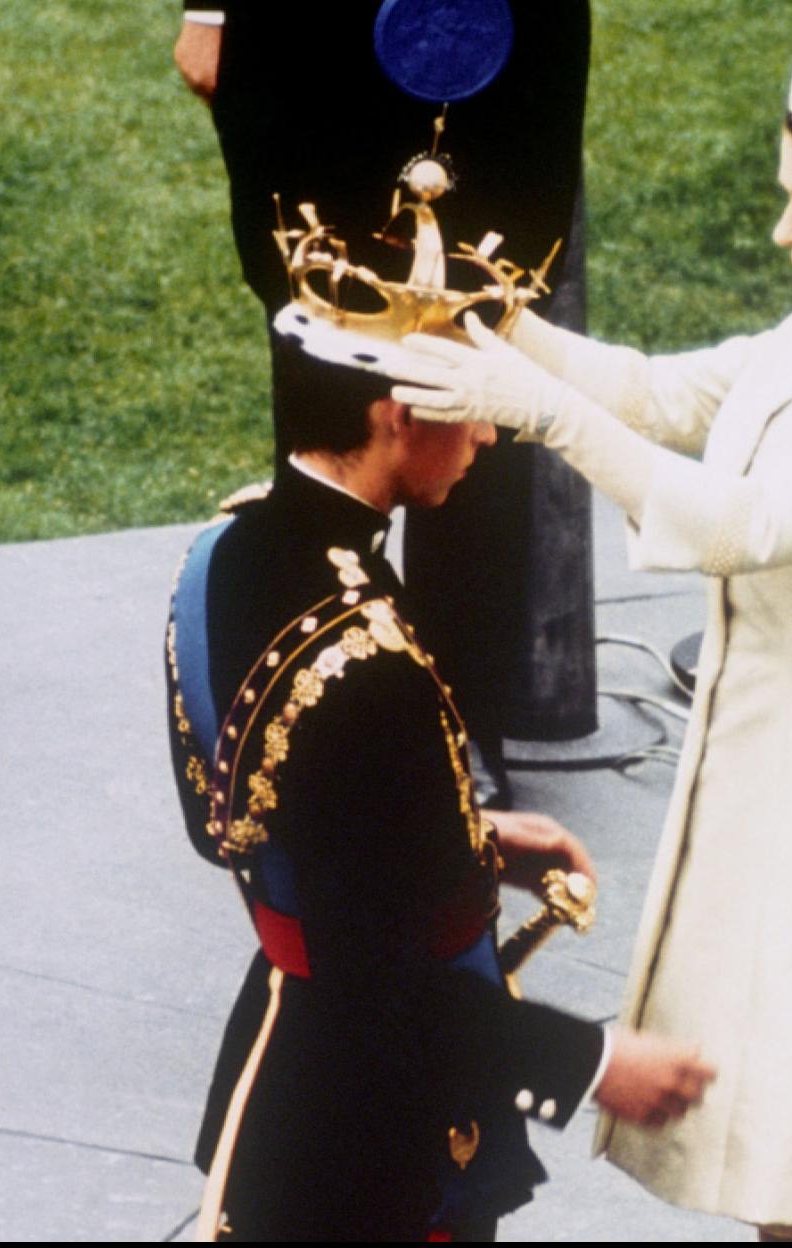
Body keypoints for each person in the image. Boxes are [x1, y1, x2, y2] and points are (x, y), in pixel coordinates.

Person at [385, 21, 792, 1242]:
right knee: (777, 1163)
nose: (784, 232)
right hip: (767, 785)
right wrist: (495, 317)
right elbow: (660, 392)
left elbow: (746, 524)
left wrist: (536, 411)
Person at [164, 339, 715, 1241]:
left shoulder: (224, 550)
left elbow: (253, 825)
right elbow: (383, 991)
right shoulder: (371, 665)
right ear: (399, 415)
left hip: (282, 1076)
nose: (489, 435)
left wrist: (468, 838)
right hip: (376, 1139)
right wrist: (592, 1062)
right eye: (473, 406)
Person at [173, 0, 596, 806]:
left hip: (506, 31)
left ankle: (459, 719)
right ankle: (306, 699)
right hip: (314, 33)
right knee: (322, 330)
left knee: (482, 329)